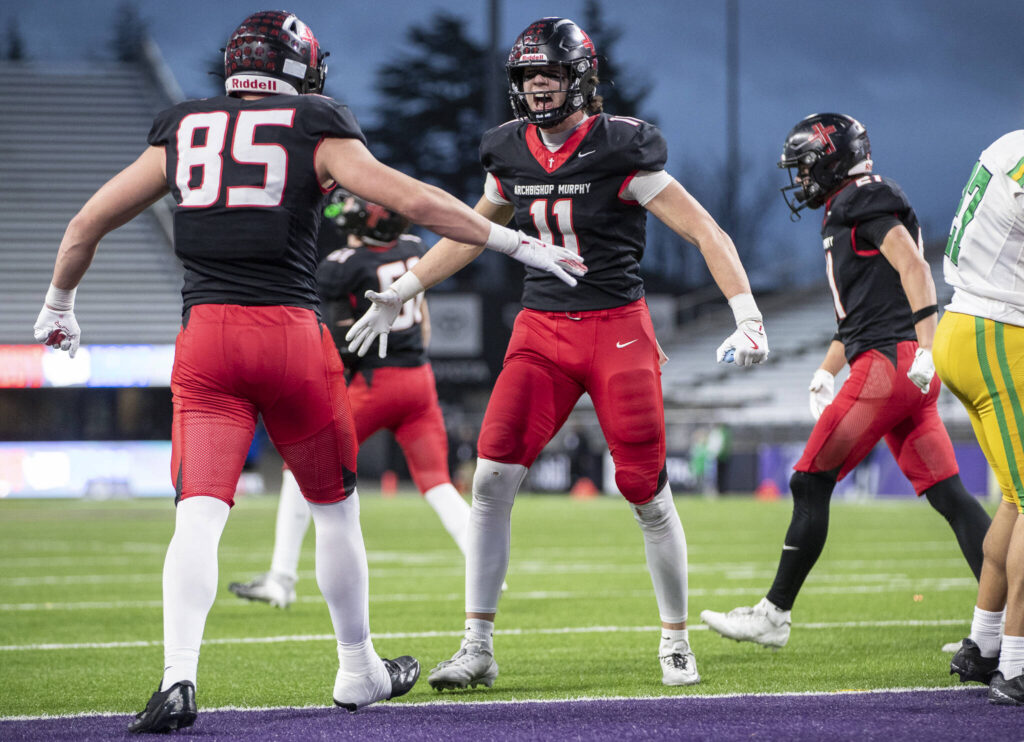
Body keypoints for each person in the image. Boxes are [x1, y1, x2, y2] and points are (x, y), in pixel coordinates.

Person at [31, 10, 583, 733]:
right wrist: (518, 242)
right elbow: (412, 201)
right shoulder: (312, 123)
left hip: (205, 340)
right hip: (291, 336)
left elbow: (85, 225)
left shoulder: (184, 127)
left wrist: (58, 306)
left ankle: (177, 678)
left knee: (198, 513)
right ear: (299, 70)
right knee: (333, 509)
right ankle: (358, 669)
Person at [346, 17, 770, 689]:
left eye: (549, 73)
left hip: (617, 329)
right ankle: (477, 645)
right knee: (488, 479)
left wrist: (747, 313)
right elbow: (472, 230)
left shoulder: (620, 148)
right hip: (541, 330)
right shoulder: (509, 153)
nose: (537, 86)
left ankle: (675, 638)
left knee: (644, 490)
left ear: (580, 78)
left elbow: (705, 230)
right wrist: (406, 285)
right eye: (526, 76)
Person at [701, 113, 992, 650]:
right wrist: (824, 370)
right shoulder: (848, 207)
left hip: (891, 365)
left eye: (807, 165)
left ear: (833, 159)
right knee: (951, 495)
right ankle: (997, 627)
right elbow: (862, 314)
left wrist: (928, 345)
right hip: (898, 365)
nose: (802, 177)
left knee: (809, 481)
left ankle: (774, 614)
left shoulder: (862, 200)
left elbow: (916, 269)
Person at [228, 192, 477, 608]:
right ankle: (487, 568)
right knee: (437, 482)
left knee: (299, 468)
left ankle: (282, 578)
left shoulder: (344, 265)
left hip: (373, 383)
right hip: (419, 378)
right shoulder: (415, 248)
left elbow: (326, 335)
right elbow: (426, 317)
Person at [936, 130, 1024, 705]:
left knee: (1016, 499)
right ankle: (1018, 664)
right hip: (998, 331)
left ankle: (985, 642)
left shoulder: (1010, 142)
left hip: (967, 326)